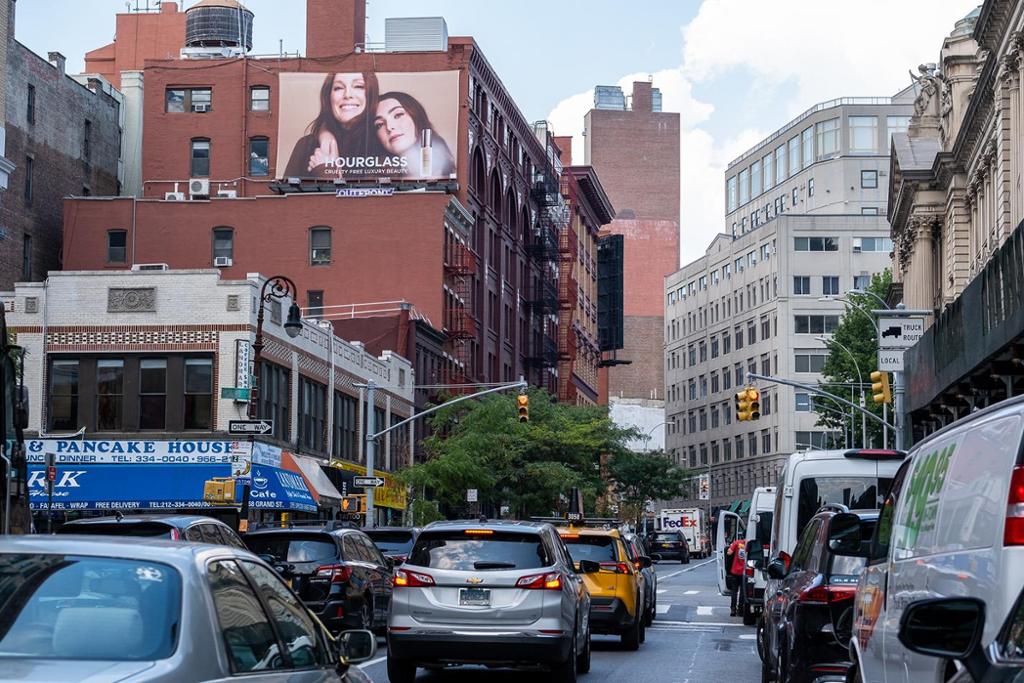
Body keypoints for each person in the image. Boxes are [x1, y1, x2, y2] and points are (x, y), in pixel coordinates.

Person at [284, 72, 379, 178]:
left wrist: (325, 171)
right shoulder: (306, 145)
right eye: (338, 88)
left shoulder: (384, 142)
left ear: (371, 94)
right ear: (328, 96)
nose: (347, 95)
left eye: (358, 86)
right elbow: (287, 191)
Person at [373, 91, 455, 179]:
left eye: (398, 115)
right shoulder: (374, 178)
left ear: (416, 117)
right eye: (380, 124)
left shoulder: (447, 174)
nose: (389, 127)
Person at [725, 535, 747, 616]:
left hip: (734, 571)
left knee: (734, 591)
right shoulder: (749, 544)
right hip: (744, 572)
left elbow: (729, 552)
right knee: (742, 592)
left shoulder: (737, 543)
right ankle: (740, 609)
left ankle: (733, 609)